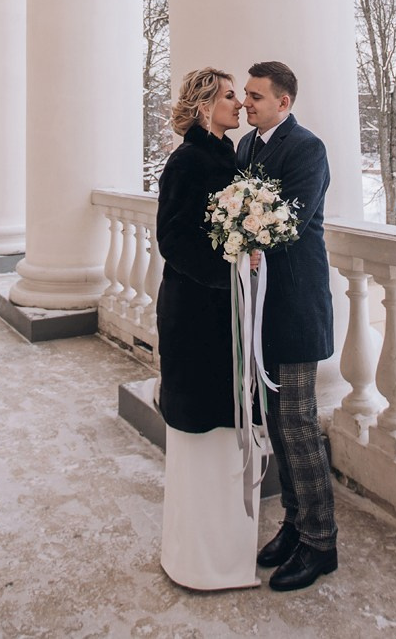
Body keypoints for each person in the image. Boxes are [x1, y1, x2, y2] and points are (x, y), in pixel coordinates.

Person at [155, 67, 260, 590]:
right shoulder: (187, 161)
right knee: (201, 426)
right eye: (229, 96)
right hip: (196, 316)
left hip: (226, 314)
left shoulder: (226, 156)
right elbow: (173, 239)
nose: (239, 103)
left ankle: (227, 551)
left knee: (226, 426)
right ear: (204, 107)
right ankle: (198, 557)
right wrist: (229, 270)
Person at [236, 60, 338, 592]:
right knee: (277, 421)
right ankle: (295, 525)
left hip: (296, 302)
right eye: (245, 94)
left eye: (256, 96)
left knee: (298, 420)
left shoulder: (307, 149)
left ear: (284, 102)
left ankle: (321, 542)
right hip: (261, 304)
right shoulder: (246, 147)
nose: (246, 103)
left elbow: (289, 221)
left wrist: (244, 235)